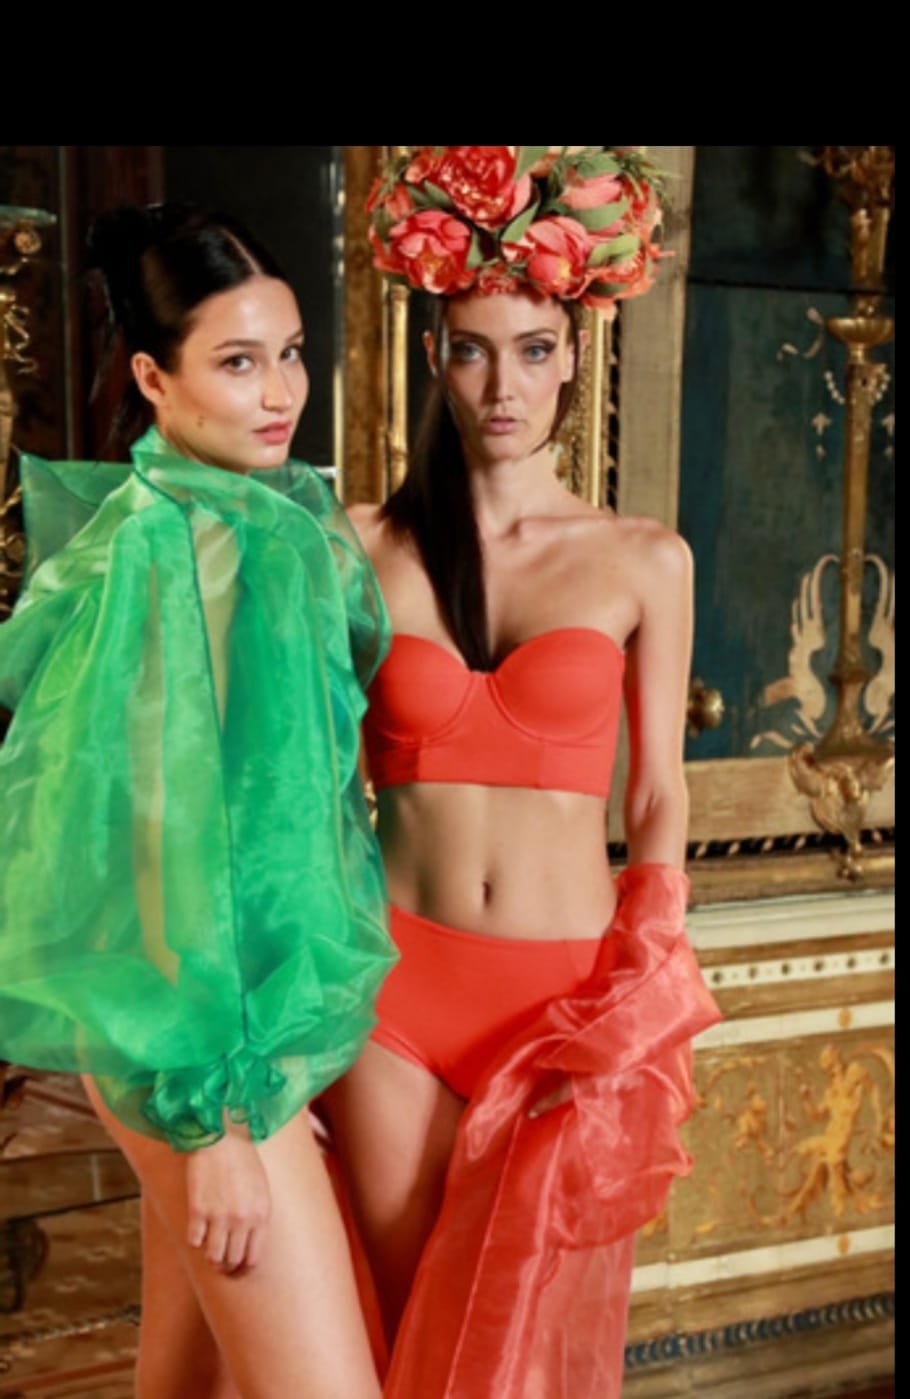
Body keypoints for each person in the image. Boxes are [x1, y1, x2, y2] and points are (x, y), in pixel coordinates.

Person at [321, 146, 722, 1397]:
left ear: (573, 354)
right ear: (432, 355)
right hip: (390, 987)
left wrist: (643, 968)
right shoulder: (355, 546)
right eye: (472, 351)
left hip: (560, 998)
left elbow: (655, 792)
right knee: (404, 1339)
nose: (504, 386)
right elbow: (304, 772)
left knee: (516, 1347)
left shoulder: (643, 559)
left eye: (533, 350)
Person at [0, 202, 396, 1398]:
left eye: (290, 353)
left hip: (213, 1035)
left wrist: (261, 1069)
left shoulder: (238, 522)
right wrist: (215, 1117)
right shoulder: (171, 550)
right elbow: (154, 842)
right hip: (185, 1049)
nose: (279, 393)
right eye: (236, 362)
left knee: (188, 1385)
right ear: (150, 379)